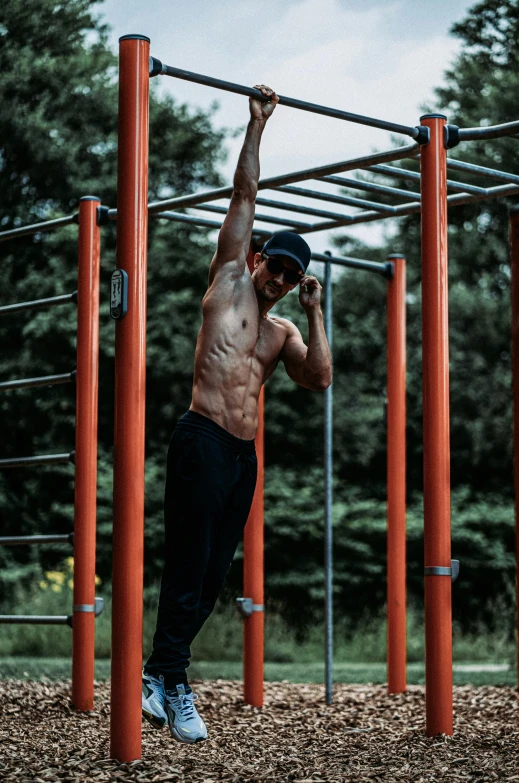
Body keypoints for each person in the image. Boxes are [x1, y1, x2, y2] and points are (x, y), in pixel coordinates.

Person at [141, 84, 332, 744]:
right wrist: (257, 125)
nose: (278, 277)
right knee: (188, 561)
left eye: (289, 274)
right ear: (256, 258)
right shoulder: (227, 283)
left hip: (240, 458)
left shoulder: (282, 329)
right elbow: (244, 195)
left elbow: (319, 379)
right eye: (275, 265)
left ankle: (162, 673)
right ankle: (169, 676)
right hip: (199, 437)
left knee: (215, 571)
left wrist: (313, 308)